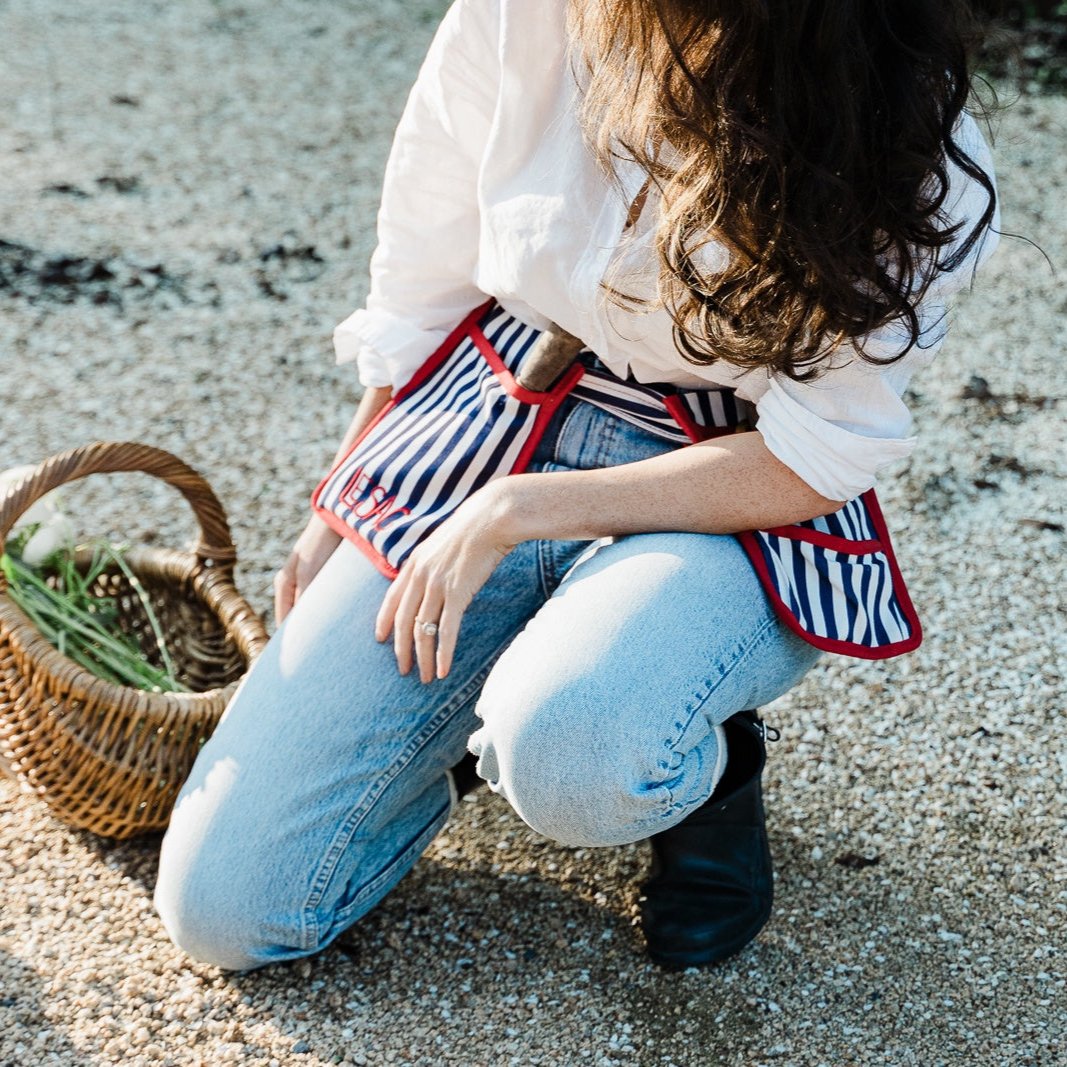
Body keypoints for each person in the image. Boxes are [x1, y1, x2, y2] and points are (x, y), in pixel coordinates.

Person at [154, 0, 999, 972]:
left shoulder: (899, 130)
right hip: (498, 405)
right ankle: (505, 693)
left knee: (573, 753)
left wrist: (521, 509)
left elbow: (817, 452)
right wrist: (346, 493)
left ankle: (699, 771)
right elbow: (423, 268)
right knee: (229, 909)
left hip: (720, 474)